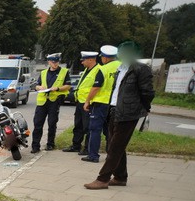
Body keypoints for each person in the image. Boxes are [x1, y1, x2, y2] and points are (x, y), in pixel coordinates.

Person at [84, 41, 154, 189]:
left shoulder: (141, 69)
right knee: (114, 144)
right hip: (114, 109)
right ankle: (120, 177)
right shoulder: (120, 68)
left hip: (129, 112)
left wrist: (144, 107)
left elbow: (147, 92)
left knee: (115, 146)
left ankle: (103, 179)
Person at [83, 45, 122, 162]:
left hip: (100, 103)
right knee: (110, 131)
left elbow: (96, 87)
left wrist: (87, 101)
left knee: (95, 130)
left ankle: (93, 156)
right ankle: (111, 156)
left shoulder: (103, 69)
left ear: (105, 58)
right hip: (115, 104)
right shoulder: (122, 67)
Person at [63, 51, 103, 155]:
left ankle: (87, 148)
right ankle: (76, 145)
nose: (82, 62)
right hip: (80, 102)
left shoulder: (98, 70)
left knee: (88, 127)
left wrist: (88, 101)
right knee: (78, 126)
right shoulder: (86, 70)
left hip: (89, 103)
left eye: (83, 60)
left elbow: (96, 88)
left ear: (91, 60)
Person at [31, 53, 70, 153]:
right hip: (42, 101)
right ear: (49, 62)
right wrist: (39, 87)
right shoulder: (43, 72)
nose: (55, 64)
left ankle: (50, 144)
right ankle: (35, 146)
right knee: (37, 124)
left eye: (57, 62)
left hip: (54, 101)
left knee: (52, 123)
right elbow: (37, 85)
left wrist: (57, 88)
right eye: (53, 62)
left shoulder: (64, 72)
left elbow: (68, 86)